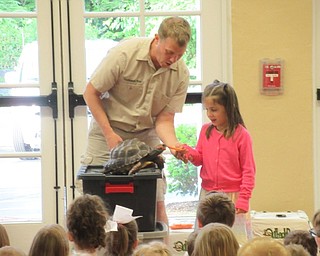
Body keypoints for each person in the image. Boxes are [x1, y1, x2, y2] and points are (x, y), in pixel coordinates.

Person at [81, 16, 191, 226]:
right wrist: (109, 133)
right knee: (96, 205)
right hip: (108, 131)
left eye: (179, 55)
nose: (172, 60)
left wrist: (173, 145)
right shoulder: (124, 54)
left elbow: (165, 119)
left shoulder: (181, 73)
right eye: (169, 52)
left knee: (154, 201)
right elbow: (91, 93)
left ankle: (156, 249)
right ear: (157, 38)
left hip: (144, 137)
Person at [182, 79, 256, 244]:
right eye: (207, 109)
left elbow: (249, 170)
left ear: (228, 108)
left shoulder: (241, 135)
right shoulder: (205, 130)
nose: (209, 114)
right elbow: (200, 158)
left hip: (233, 198)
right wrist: (188, 153)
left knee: (235, 241)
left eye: (214, 110)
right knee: (205, 240)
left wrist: (244, 198)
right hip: (208, 196)